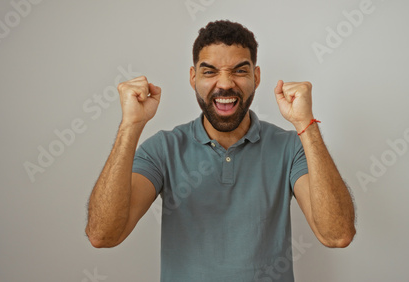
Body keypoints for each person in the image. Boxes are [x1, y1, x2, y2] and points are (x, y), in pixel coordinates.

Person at [85, 20, 356, 281]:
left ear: (256, 76)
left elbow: (337, 235)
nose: (225, 84)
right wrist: (131, 125)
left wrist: (304, 124)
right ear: (193, 78)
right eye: (210, 71)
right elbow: (103, 235)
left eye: (239, 70)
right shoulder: (163, 149)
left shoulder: (291, 147)